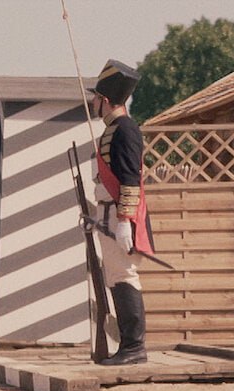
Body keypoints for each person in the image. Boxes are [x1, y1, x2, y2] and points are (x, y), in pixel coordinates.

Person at [90, 59, 155, 366]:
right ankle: (128, 346)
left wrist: (125, 221)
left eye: (95, 98)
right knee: (116, 276)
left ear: (104, 100)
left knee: (124, 275)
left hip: (119, 216)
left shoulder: (125, 129)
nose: (93, 103)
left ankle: (134, 346)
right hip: (109, 215)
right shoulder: (113, 129)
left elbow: (130, 179)